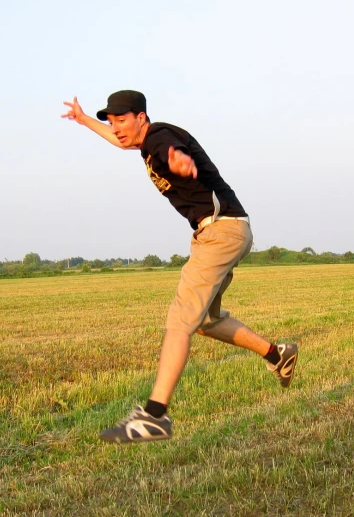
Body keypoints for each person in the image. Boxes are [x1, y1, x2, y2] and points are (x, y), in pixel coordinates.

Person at [61, 90, 298, 443]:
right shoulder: (143, 141)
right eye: (113, 122)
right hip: (222, 231)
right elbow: (120, 142)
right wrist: (84, 121)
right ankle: (276, 353)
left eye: (122, 120)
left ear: (141, 116)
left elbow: (173, 151)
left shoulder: (159, 137)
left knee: (180, 319)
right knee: (203, 320)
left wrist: (179, 161)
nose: (117, 128)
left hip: (220, 229)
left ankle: (155, 415)